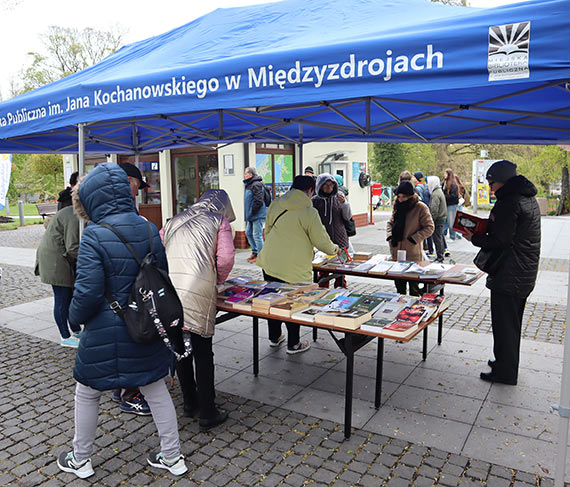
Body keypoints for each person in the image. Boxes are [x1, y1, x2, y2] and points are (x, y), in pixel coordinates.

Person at [57, 163, 186, 479]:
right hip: (144, 325)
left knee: (87, 392)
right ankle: (172, 457)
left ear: (93, 199)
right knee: (155, 389)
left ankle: (81, 458)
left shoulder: (95, 235)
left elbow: (87, 292)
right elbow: (161, 278)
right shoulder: (148, 227)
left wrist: (73, 320)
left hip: (103, 329)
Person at [163, 189, 235, 431]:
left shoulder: (173, 221)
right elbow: (224, 260)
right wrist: (217, 280)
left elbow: (159, 249)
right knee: (203, 353)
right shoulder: (218, 221)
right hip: (200, 292)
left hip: (172, 292)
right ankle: (208, 411)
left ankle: (189, 403)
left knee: (181, 350)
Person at [464, 160, 540, 386]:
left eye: (492, 183)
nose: (490, 188)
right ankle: (505, 363)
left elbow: (501, 240)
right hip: (522, 272)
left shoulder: (509, 202)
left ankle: (505, 373)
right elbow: (511, 232)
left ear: (502, 182)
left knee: (504, 324)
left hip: (510, 274)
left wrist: (474, 238)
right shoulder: (526, 198)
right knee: (511, 323)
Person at [257, 175, 339, 354]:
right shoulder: (309, 212)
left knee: (273, 300)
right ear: (310, 190)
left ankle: (274, 337)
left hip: (270, 262)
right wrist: (335, 249)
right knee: (293, 304)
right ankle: (293, 344)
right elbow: (321, 240)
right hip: (294, 268)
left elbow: (268, 230)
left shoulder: (276, 204)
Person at [112, 162, 153, 416]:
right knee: (132, 340)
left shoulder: (107, 213)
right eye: (137, 186)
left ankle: (121, 388)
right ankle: (130, 393)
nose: (138, 192)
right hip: (129, 291)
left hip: (120, 292)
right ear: (128, 182)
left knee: (123, 339)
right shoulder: (128, 218)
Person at [35, 186, 81, 348]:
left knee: (67, 298)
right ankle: (65, 337)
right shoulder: (72, 215)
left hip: (57, 259)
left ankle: (75, 331)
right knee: (62, 299)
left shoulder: (68, 213)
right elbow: (73, 247)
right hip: (56, 262)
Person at [386, 180, 434, 296]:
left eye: (404, 197)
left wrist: (414, 238)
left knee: (414, 290)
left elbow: (429, 227)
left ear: (410, 196)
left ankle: (413, 312)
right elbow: (390, 223)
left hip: (413, 254)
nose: (401, 199)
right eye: (399, 196)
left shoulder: (420, 208)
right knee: (400, 290)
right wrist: (390, 236)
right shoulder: (397, 205)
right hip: (396, 252)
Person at [312, 173, 352, 288]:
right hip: (324, 241)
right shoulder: (315, 200)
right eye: (326, 185)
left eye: (331, 185)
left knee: (341, 271)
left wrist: (344, 203)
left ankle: (341, 292)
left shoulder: (339, 198)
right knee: (323, 271)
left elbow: (348, 216)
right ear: (320, 186)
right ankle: (322, 293)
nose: (329, 188)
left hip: (341, 240)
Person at [243, 167, 267, 263]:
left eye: (246, 173)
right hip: (251, 215)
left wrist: (252, 211)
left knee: (257, 235)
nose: (244, 175)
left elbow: (259, 201)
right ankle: (255, 252)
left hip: (257, 215)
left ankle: (262, 256)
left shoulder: (256, 185)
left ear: (251, 175)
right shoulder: (250, 184)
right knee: (248, 233)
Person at [426, 176, 447, 263]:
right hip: (441, 218)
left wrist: (430, 220)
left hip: (437, 220)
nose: (427, 185)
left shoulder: (435, 194)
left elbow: (434, 210)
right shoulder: (439, 191)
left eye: (428, 183)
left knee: (437, 239)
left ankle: (439, 257)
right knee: (440, 237)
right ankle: (440, 255)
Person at [414, 171, 433, 257]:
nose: (413, 179)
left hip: (421, 210)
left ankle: (424, 249)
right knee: (428, 231)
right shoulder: (426, 185)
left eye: (414, 177)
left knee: (422, 229)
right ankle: (430, 250)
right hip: (427, 209)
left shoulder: (419, 187)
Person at [442, 167, 461, 241]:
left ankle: (452, 236)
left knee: (451, 221)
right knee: (445, 221)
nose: (444, 175)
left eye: (445, 173)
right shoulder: (444, 183)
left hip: (452, 205)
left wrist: (444, 197)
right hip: (446, 204)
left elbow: (454, 196)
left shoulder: (453, 185)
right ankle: (443, 235)